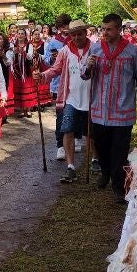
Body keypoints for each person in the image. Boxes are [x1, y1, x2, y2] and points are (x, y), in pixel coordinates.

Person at [82, 13, 137, 204]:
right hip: (100, 111)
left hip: (123, 110)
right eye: (103, 29)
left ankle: (118, 186)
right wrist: (88, 67)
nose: (105, 32)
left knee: (120, 151)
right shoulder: (95, 49)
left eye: (109, 29)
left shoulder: (132, 52)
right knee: (102, 147)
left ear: (119, 29)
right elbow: (84, 75)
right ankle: (105, 171)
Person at [38, 20, 93, 183]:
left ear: (85, 33)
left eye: (80, 33)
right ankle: (70, 167)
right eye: (73, 34)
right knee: (67, 129)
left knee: (91, 133)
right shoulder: (65, 51)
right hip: (71, 98)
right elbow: (56, 69)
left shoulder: (95, 49)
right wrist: (42, 76)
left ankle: (94, 161)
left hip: (92, 98)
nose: (76, 37)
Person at [44, 14, 71, 161]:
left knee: (74, 111)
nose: (66, 29)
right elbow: (47, 60)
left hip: (74, 82)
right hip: (58, 83)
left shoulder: (75, 39)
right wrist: (52, 58)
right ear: (59, 28)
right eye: (63, 26)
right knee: (61, 113)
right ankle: (60, 144)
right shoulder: (53, 42)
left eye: (68, 25)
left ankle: (76, 136)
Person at [8, 35, 41, 117]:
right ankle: (22, 110)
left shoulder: (28, 45)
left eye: (22, 33)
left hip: (26, 70)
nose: (20, 35)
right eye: (19, 33)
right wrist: (15, 53)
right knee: (20, 90)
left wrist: (24, 53)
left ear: (24, 36)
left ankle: (29, 109)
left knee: (27, 89)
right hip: (17, 70)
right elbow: (10, 58)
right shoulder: (13, 45)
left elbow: (30, 57)